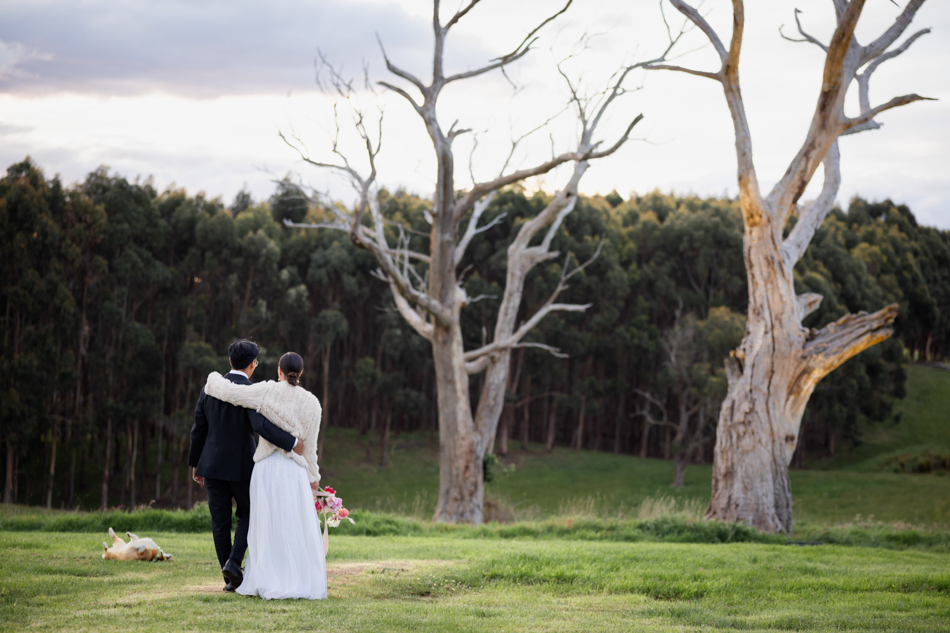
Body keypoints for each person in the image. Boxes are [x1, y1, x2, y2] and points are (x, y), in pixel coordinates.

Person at [202, 351, 326, 600]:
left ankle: (265, 578)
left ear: (279, 371)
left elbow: (230, 393)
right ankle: (296, 579)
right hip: (295, 471)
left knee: (265, 524)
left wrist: (213, 378)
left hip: (267, 468)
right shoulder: (313, 404)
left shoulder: (267, 390)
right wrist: (314, 479)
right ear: (300, 373)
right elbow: (310, 449)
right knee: (293, 524)